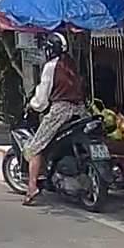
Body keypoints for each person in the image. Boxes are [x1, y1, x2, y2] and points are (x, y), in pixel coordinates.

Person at [24, 31, 88, 206]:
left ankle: (32, 187)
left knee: (35, 148)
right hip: (80, 110)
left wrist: (33, 105)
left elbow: (42, 98)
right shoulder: (71, 63)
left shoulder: (51, 66)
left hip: (61, 111)